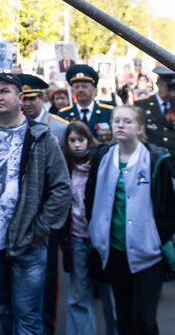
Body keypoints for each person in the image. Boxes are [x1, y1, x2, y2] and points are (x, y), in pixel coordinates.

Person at [0, 73, 71, 335]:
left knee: (28, 318)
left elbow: (62, 188)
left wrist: (39, 229)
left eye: (4, 91)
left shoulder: (40, 137)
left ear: (20, 99)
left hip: (28, 245)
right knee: (4, 311)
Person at [85, 104, 175, 335]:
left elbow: (169, 207)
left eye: (127, 121)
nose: (120, 125)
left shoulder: (155, 159)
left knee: (144, 319)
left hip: (148, 253)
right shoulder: (102, 157)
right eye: (116, 121)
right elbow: (90, 198)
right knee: (123, 317)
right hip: (114, 251)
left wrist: (156, 238)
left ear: (140, 128)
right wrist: (95, 233)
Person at [17, 74, 69, 334]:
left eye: (32, 99)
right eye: (23, 99)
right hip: (18, 209)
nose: (27, 104)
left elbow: (66, 174)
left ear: (42, 99)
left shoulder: (60, 126)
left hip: (47, 209)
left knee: (48, 275)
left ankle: (46, 326)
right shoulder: (12, 125)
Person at [61, 121, 116, 335]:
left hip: (101, 239)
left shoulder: (100, 163)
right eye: (72, 140)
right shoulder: (65, 167)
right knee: (78, 293)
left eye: (81, 140)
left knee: (109, 293)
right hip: (77, 238)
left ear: (88, 140)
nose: (76, 145)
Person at [58, 65, 114, 143]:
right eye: (77, 87)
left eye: (84, 86)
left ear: (94, 89)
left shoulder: (108, 112)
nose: (80, 90)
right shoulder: (63, 114)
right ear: (72, 90)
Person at [133, 65, 175, 157]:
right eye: (170, 87)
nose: (173, 92)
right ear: (158, 84)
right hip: (152, 159)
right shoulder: (141, 105)